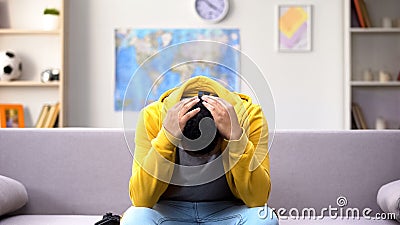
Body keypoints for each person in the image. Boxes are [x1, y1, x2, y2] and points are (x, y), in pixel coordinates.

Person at [122, 76, 278, 225]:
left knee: (265, 218)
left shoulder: (250, 117)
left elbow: (258, 199)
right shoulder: (151, 117)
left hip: (228, 210)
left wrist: (236, 137)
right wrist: (166, 137)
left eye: (210, 153)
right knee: (134, 218)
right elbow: (141, 199)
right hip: (169, 211)